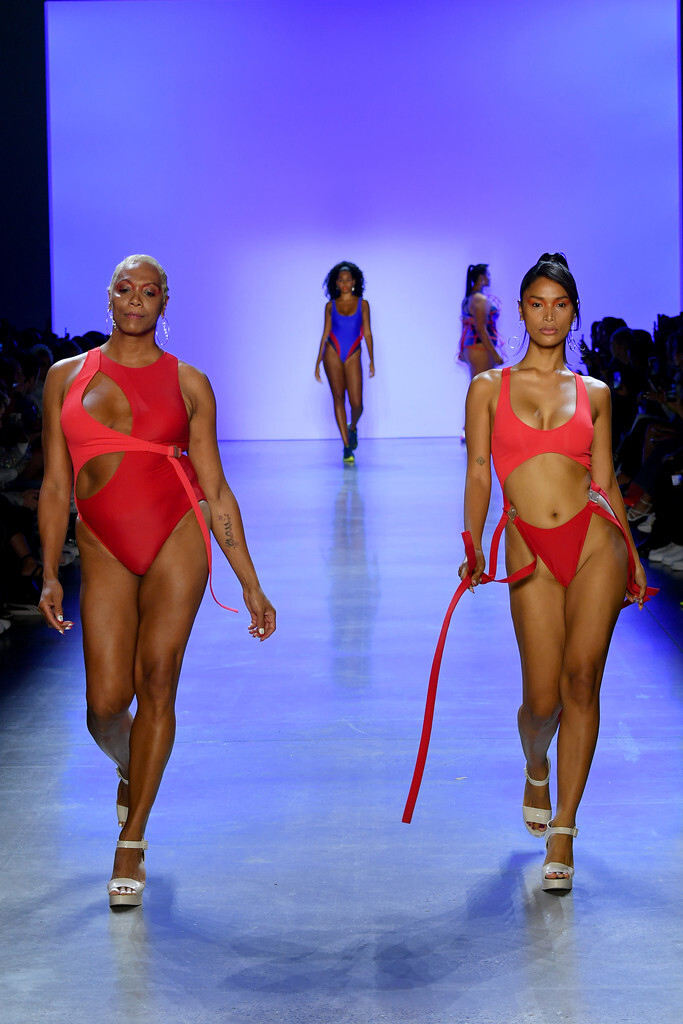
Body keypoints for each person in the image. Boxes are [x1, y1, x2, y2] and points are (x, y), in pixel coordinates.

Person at [38, 255, 276, 909]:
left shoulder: (189, 382)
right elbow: (56, 484)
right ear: (109, 297)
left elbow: (216, 489)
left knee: (158, 678)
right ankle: (131, 764)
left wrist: (250, 583)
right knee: (105, 704)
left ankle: (132, 839)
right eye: (125, 288)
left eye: (149, 291)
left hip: (177, 531)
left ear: (164, 302)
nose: (136, 299)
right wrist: (49, 572)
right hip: (101, 545)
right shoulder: (65, 377)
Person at [458, 253, 653, 893]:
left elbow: (606, 481)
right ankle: (536, 765)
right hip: (529, 547)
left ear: (574, 312)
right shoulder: (488, 387)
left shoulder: (594, 393)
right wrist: (472, 541)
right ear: (521, 310)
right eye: (537, 304)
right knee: (542, 703)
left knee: (581, 681)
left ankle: (565, 827)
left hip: (595, 542)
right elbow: (479, 472)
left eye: (560, 305)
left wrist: (633, 558)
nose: (548, 315)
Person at [314, 261, 374, 464]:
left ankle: (352, 427)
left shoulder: (363, 304)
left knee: (357, 404)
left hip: (353, 352)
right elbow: (325, 333)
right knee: (338, 397)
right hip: (332, 350)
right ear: (336, 283)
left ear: (354, 281)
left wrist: (372, 360)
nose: (345, 284)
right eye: (341, 280)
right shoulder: (330, 306)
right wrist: (317, 362)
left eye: (348, 280)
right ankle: (347, 446)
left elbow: (367, 332)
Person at [458, 263, 504, 378]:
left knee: (479, 384)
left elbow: (465, 325)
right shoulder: (479, 299)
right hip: (480, 348)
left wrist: (461, 350)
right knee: (483, 385)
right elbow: (481, 329)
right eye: (487, 275)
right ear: (481, 277)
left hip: (473, 348)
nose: (489, 278)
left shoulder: (468, 299)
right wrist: (495, 354)